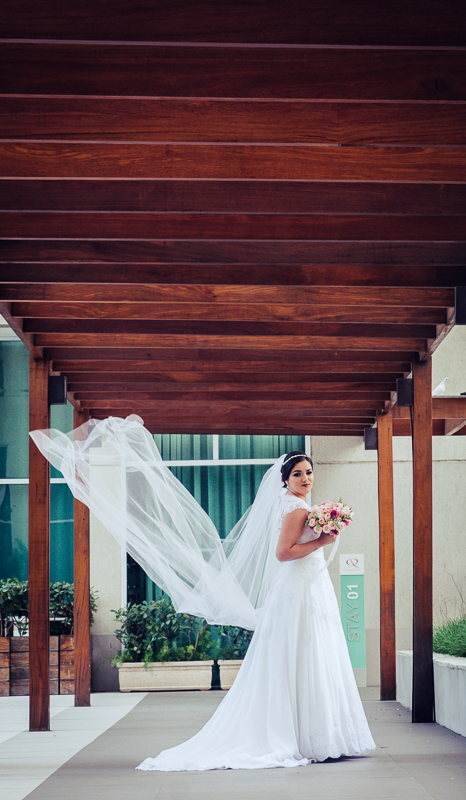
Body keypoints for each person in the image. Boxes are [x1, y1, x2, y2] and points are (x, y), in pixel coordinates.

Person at [136, 451, 376, 771]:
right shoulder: (296, 508)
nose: (305, 478)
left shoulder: (294, 504)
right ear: (285, 479)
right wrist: (323, 541)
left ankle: (315, 733)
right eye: (297, 474)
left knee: (308, 652)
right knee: (305, 650)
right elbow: (283, 553)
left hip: (307, 583)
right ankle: (308, 736)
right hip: (300, 588)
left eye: (308, 472)